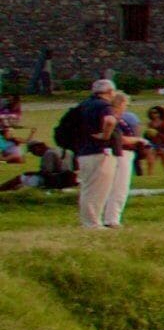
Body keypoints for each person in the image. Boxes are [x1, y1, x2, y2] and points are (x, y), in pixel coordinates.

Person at [56, 82, 124, 228]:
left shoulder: (84, 105)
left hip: (83, 151)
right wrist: (106, 136)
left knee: (88, 189)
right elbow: (110, 120)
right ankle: (93, 223)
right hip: (99, 151)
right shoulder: (103, 106)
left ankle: (88, 221)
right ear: (109, 92)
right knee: (98, 189)